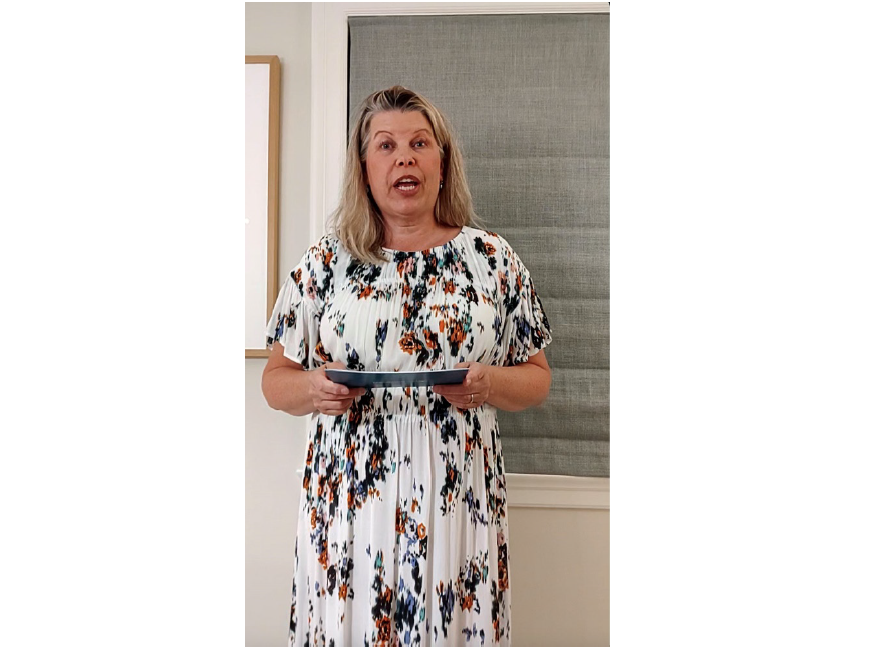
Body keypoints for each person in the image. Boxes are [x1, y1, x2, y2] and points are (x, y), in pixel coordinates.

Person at [261, 85, 552, 647]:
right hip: (348, 499)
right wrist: (314, 389)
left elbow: (537, 379)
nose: (404, 158)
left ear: (442, 162)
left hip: (457, 496)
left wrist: (488, 382)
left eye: (420, 143)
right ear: (364, 168)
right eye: (386, 145)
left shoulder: (492, 259)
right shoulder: (326, 262)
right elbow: (275, 383)